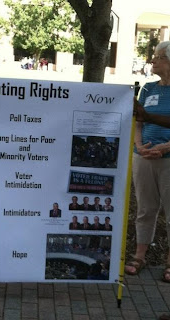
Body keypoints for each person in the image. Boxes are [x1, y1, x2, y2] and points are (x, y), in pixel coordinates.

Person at [125, 41, 170, 284]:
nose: (152, 60)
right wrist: (139, 145)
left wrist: (166, 148)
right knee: (145, 209)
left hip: (168, 158)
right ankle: (139, 255)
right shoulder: (148, 87)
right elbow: (139, 121)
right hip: (143, 157)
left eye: (157, 57)